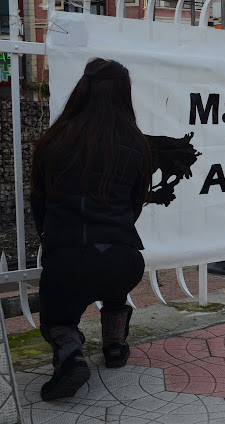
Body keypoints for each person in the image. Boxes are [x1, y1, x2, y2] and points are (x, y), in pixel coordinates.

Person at [30, 58, 152, 400]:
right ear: (124, 96)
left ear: (82, 90)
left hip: (69, 258)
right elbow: (134, 205)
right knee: (110, 278)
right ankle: (114, 346)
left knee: (57, 318)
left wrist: (52, 243)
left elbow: (39, 201)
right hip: (125, 261)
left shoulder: (54, 140)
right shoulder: (137, 144)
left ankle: (70, 353)